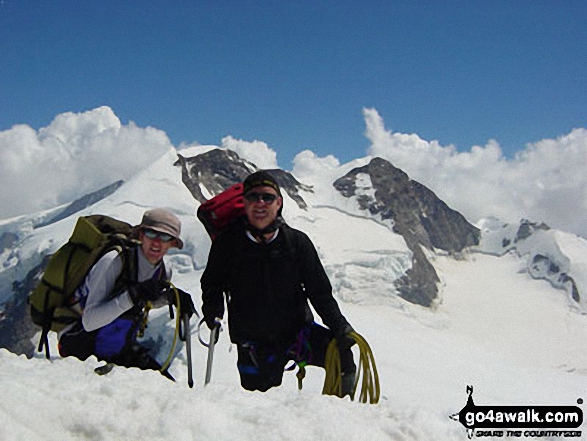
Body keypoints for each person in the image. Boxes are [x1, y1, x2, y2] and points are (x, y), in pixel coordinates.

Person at [201, 171, 357, 395]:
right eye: (253, 197)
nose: (260, 203)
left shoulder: (296, 243)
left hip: (296, 334)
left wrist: (339, 325)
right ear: (244, 203)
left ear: (279, 203)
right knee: (259, 401)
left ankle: (340, 418)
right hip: (253, 343)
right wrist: (213, 310)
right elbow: (212, 283)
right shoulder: (228, 245)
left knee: (341, 356)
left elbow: (319, 291)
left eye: (267, 197)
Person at [58, 208, 196, 378]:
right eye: (151, 234)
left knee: (165, 386)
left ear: (173, 244)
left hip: (118, 347)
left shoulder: (163, 271)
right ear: (141, 235)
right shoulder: (114, 261)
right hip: (79, 345)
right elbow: (90, 321)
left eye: (166, 237)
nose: (157, 243)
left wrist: (169, 298)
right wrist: (132, 295)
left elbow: (143, 303)